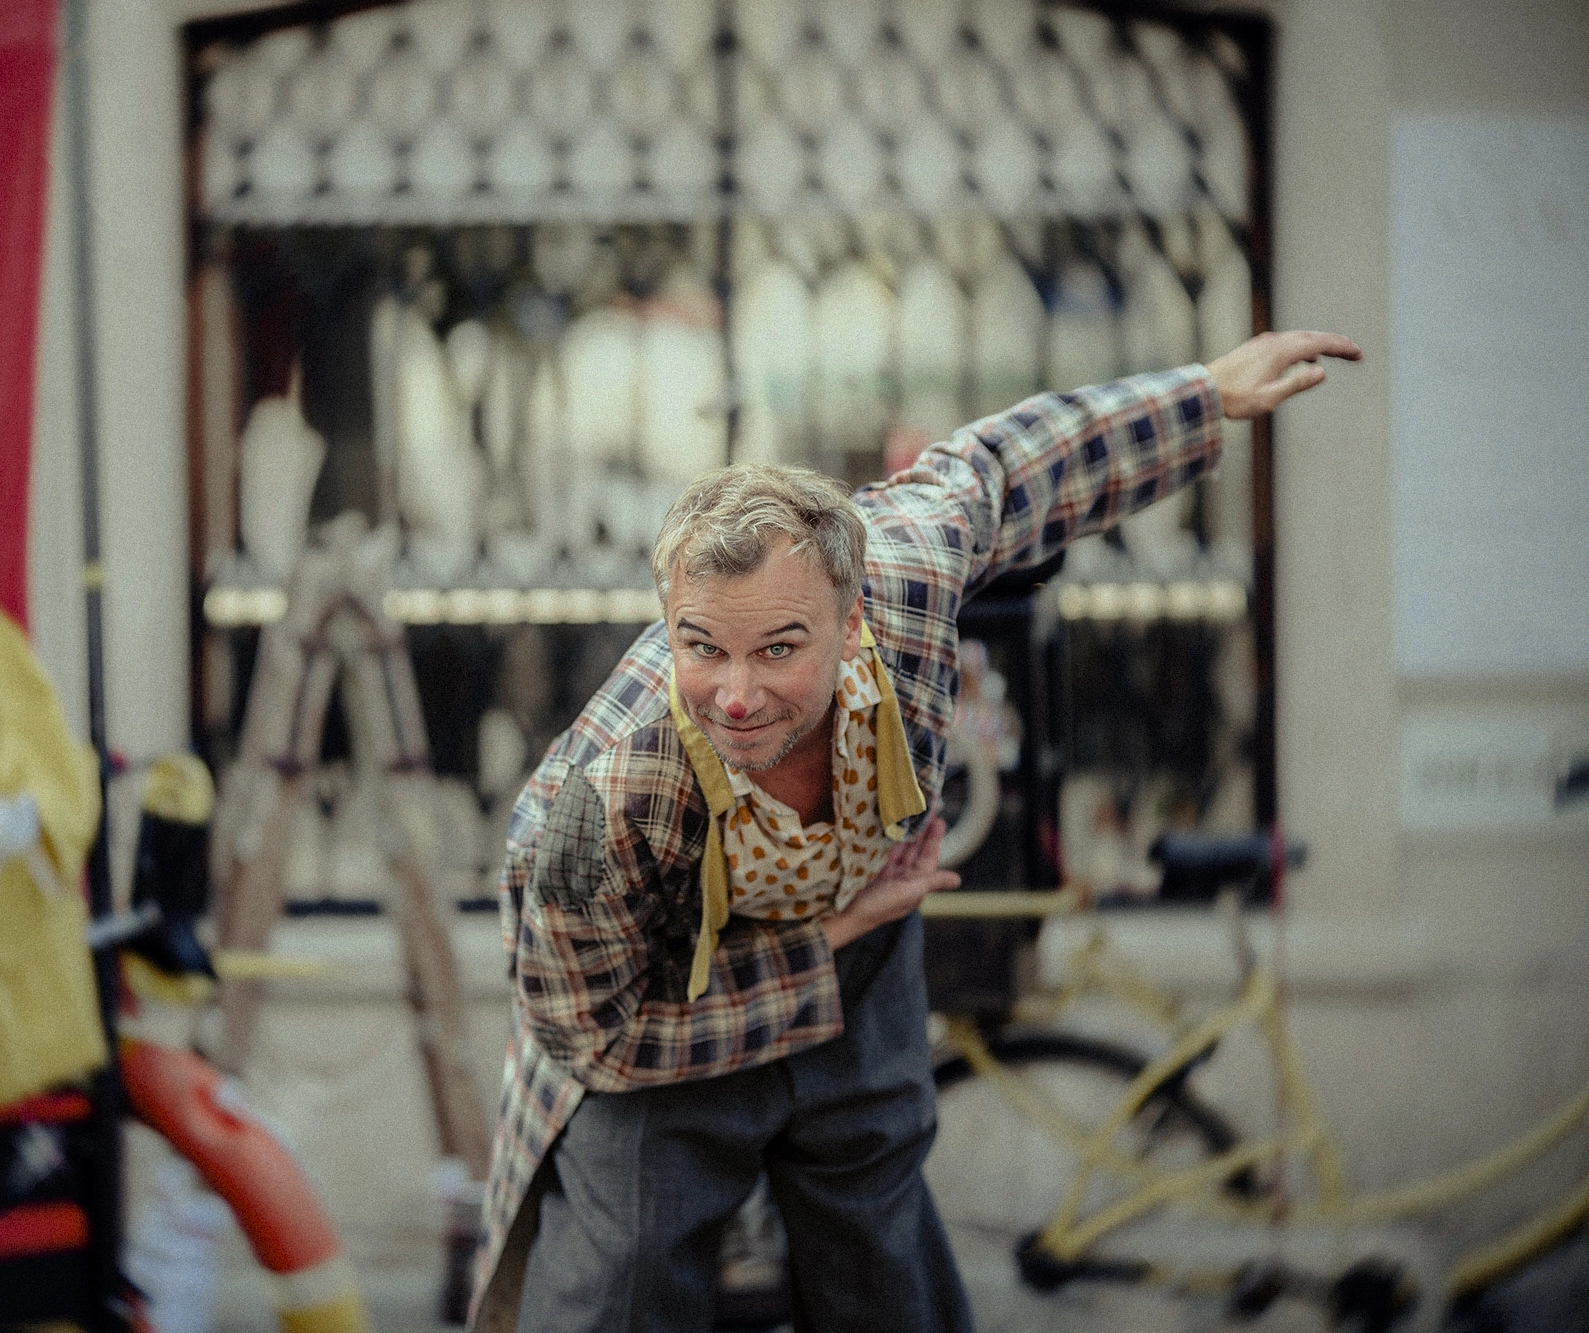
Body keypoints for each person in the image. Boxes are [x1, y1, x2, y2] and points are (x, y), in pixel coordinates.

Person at [467, 331, 1362, 1332]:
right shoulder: (587, 811)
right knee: (622, 1279)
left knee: (879, 1261)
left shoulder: (901, 576)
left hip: (863, 964)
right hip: (659, 1014)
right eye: (700, 644)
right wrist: (820, 946)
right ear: (666, 615)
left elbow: (1007, 469)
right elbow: (596, 1030)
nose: (736, 692)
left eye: (778, 647)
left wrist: (1200, 397)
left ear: (851, 623)